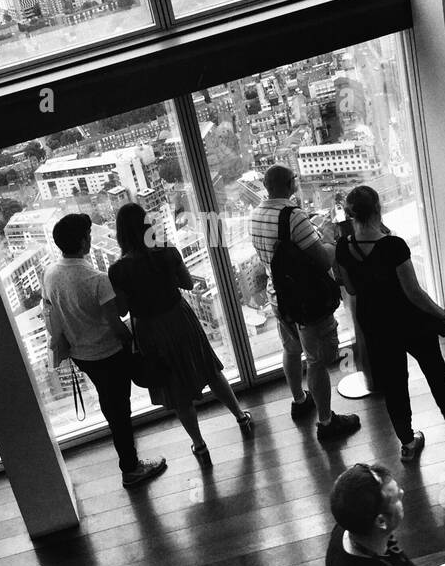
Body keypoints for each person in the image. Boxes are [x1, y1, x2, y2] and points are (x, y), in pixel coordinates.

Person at [333, 186, 445, 460]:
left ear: (351, 214)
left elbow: (350, 289)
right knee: (435, 370)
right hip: (409, 320)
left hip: (374, 322)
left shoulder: (343, 248)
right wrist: (442, 315)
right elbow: (414, 293)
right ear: (378, 209)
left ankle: (408, 444)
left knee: (394, 384)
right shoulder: (393, 246)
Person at [108, 203, 252, 467]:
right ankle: (241, 417)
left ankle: (199, 445)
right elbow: (187, 283)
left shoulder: (118, 270)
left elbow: (121, 309)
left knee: (175, 388)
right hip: (179, 318)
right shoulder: (167, 252)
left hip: (150, 330)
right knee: (209, 368)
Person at [43, 212, 166, 490]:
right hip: (108, 353)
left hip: (81, 354)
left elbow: (51, 314)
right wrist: (133, 343)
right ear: (83, 241)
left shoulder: (51, 274)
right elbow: (115, 324)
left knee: (113, 406)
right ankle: (131, 469)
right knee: (119, 411)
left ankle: (130, 459)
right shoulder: (95, 279)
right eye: (88, 234)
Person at [249, 165, 361, 442]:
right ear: (290, 184)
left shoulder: (255, 215)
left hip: (279, 296)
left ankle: (300, 401)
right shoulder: (294, 216)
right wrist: (327, 240)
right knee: (318, 359)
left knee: (290, 349)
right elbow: (323, 260)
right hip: (306, 300)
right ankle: (326, 422)